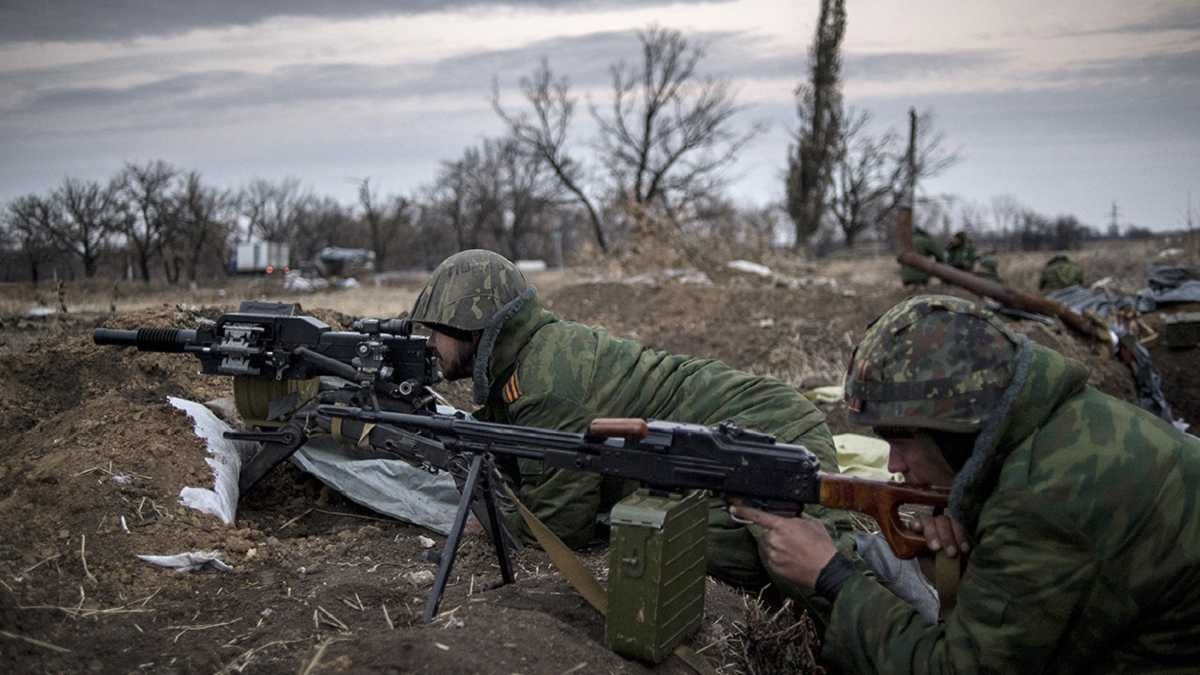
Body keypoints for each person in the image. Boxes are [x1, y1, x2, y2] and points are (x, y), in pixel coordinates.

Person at [733, 294, 1200, 673]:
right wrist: (966, 561)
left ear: (959, 430)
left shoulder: (1044, 499)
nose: (893, 463)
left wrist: (832, 576)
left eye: (902, 439)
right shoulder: (1062, 422)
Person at [408, 249, 859, 596]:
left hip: (767, 429)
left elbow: (560, 528)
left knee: (702, 545)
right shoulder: (531, 360)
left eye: (436, 330)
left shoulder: (546, 380)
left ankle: (875, 595)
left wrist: (489, 517)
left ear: (472, 326)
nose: (430, 344)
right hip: (740, 428)